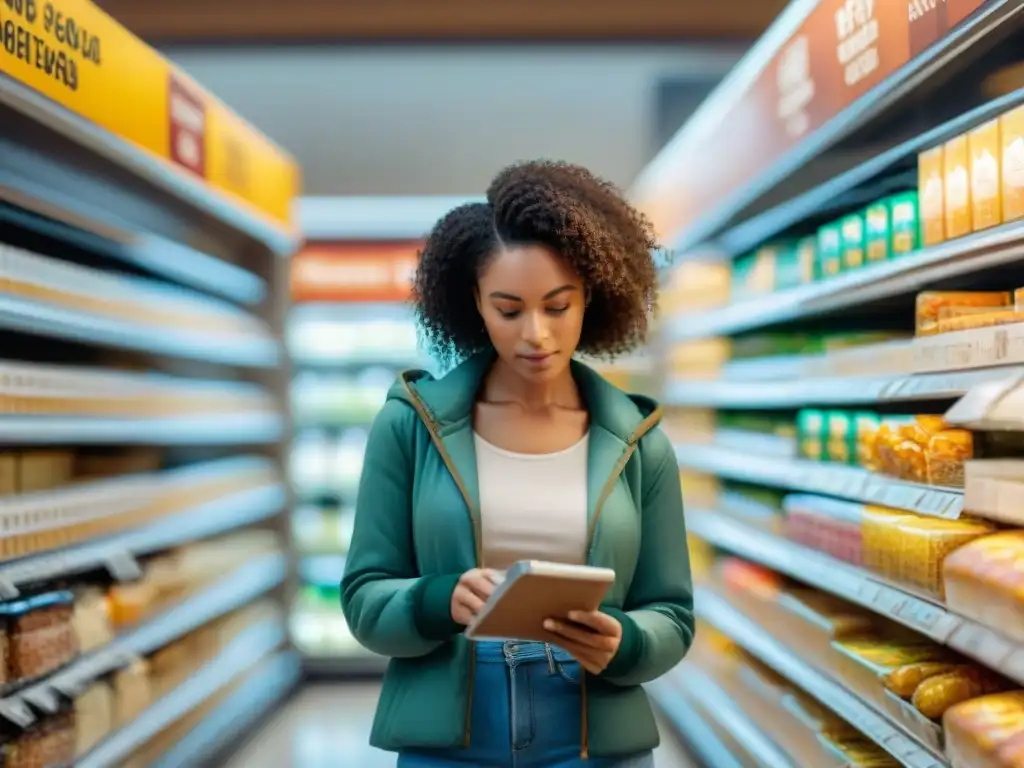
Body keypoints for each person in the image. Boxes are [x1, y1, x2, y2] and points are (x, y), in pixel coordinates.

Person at [341, 160, 694, 767]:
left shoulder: (638, 439)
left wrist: (627, 642)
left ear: (592, 296)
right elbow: (364, 598)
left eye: (558, 306)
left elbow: (672, 613)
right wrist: (438, 600)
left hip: (594, 738)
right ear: (473, 303)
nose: (536, 333)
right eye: (509, 310)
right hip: (449, 739)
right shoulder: (411, 424)